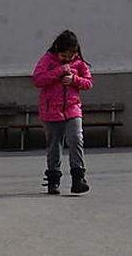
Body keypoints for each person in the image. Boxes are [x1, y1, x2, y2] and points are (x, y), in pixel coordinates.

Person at [32, 30, 93, 195]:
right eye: (64, 56)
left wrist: (75, 80)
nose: (67, 59)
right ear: (57, 50)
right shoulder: (47, 60)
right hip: (51, 110)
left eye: (70, 55)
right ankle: (53, 179)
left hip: (72, 108)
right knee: (54, 145)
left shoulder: (79, 63)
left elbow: (88, 83)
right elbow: (37, 79)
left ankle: (78, 177)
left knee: (76, 138)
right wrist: (58, 72)